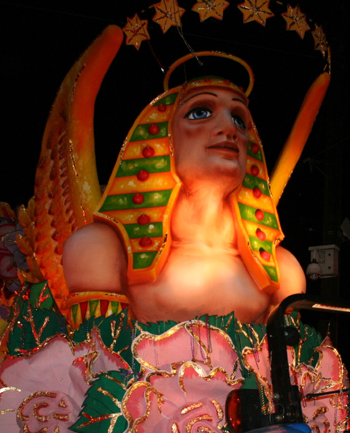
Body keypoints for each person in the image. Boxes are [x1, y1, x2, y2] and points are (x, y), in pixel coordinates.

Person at [62, 77, 306, 324]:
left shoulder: (284, 271)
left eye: (239, 120)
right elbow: (98, 345)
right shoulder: (101, 249)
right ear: (161, 136)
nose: (230, 129)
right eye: (200, 112)